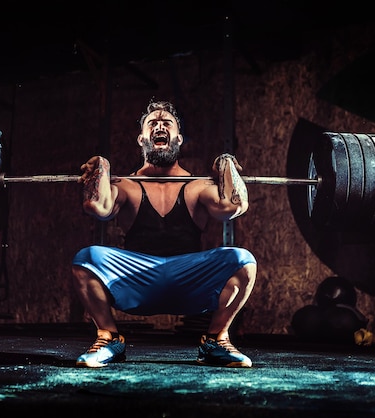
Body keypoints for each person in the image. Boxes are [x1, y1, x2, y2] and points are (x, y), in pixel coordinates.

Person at [71, 100, 257, 368]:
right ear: (142, 139)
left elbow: (234, 205)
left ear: (178, 138)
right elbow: (96, 206)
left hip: (189, 281)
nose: (160, 125)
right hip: (137, 278)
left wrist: (225, 164)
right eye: (152, 124)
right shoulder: (126, 185)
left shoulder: (197, 186)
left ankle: (217, 339)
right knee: (85, 259)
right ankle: (108, 337)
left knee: (243, 260)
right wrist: (102, 166)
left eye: (167, 122)